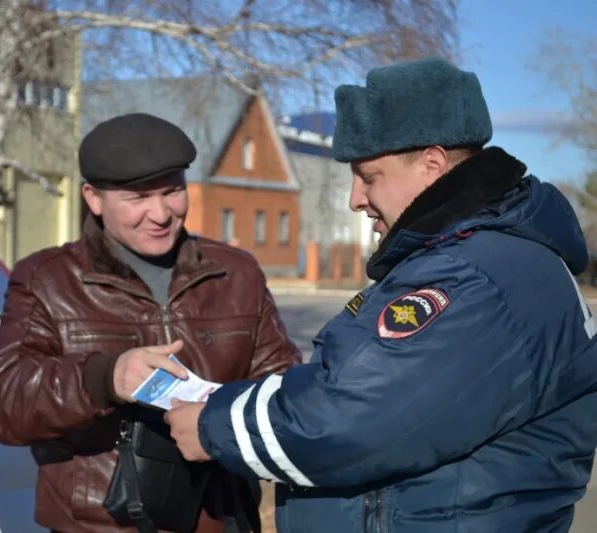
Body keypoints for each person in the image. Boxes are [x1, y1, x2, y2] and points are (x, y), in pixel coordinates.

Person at [165, 57, 597, 532]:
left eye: (369, 177)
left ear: (432, 165)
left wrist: (213, 426)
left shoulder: (475, 276)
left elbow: (350, 419)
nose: (355, 198)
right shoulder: (470, 257)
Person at [0, 112, 300, 533]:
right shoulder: (47, 279)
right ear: (93, 199)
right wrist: (103, 378)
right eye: (138, 198)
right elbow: (4, 403)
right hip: (100, 524)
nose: (161, 213)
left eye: (172, 191)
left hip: (222, 520)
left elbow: (284, 390)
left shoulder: (235, 273)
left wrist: (219, 422)